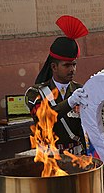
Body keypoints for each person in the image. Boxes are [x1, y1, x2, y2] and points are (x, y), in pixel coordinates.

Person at [25, 15, 88, 155]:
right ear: (54, 67)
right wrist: (70, 102)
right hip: (50, 158)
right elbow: (45, 118)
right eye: (67, 65)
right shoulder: (35, 92)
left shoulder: (80, 90)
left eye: (74, 64)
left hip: (78, 157)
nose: (72, 69)